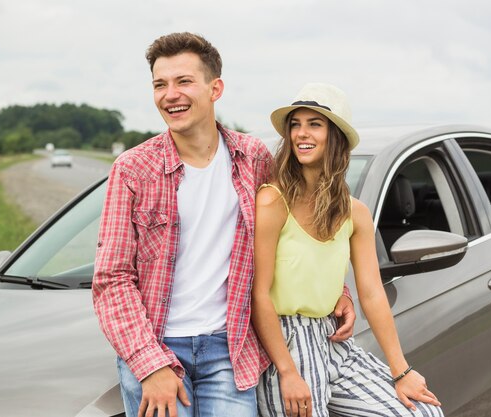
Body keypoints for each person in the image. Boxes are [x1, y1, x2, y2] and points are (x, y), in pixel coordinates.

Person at [92, 33, 355, 417]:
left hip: (230, 352)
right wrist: (150, 364)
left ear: (215, 88)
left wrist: (340, 291)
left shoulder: (253, 159)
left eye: (183, 81)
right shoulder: (132, 169)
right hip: (158, 347)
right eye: (160, 85)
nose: (170, 95)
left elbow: (296, 236)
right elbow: (111, 279)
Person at [252, 83, 444, 417]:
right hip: (284, 345)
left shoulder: (355, 213)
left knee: (421, 412)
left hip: (333, 342)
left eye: (315, 124)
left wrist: (402, 371)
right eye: (295, 124)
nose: (301, 133)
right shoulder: (272, 201)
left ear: (336, 136)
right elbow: (259, 295)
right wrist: (286, 370)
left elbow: (371, 293)